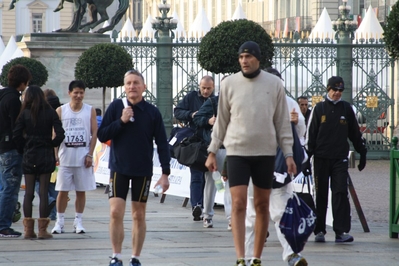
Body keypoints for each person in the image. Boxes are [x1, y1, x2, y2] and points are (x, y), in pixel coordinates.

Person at [205, 41, 296, 266]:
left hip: (265, 153)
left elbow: (282, 123)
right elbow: (222, 122)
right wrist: (212, 151)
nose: (244, 61)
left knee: (262, 205)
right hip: (237, 152)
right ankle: (240, 257)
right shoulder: (229, 84)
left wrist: (288, 154)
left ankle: (256, 257)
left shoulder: (274, 84)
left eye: (248, 56)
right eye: (241, 57)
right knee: (238, 204)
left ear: (258, 58)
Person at [97, 69, 171, 266]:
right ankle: (116, 256)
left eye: (136, 83)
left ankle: (135, 258)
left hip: (142, 170)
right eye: (128, 83)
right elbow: (102, 135)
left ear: (144, 87)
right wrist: (121, 121)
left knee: (138, 214)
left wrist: (165, 173)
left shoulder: (152, 112)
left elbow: (163, 144)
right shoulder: (115, 107)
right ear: (124, 87)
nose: (132, 87)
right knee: (115, 212)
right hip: (119, 168)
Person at [244, 68, 308, 266]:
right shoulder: (249, 99)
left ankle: (291, 254)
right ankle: (247, 257)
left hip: (280, 166)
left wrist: (297, 123)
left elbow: (301, 135)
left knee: (282, 212)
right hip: (255, 165)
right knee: (252, 217)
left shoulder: (289, 102)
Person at [304, 76, 367, 243]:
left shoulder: (347, 109)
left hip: (339, 158)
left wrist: (363, 153)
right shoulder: (318, 109)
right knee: (321, 194)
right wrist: (305, 160)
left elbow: (355, 133)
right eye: (334, 90)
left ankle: (341, 231)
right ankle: (319, 230)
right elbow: (310, 137)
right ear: (328, 89)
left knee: (340, 193)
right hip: (321, 158)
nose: (337, 93)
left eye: (340, 90)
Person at [13, 85, 65, 239]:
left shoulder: (24, 114)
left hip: (30, 154)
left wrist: (24, 147)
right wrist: (51, 144)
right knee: (43, 192)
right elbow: (61, 134)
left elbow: (16, 134)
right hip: (45, 155)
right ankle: (43, 230)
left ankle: (28, 230)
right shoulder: (50, 112)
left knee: (28, 193)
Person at [51, 80, 98, 235]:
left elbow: (94, 133)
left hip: (82, 156)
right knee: (62, 191)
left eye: (81, 93)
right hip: (65, 157)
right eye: (76, 92)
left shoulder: (89, 110)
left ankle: (78, 221)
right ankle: (60, 221)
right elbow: (55, 133)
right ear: (69, 93)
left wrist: (90, 154)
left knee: (81, 191)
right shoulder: (61, 110)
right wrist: (55, 153)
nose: (78, 96)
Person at [174, 75, 215, 221]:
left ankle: (205, 206)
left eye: (208, 88)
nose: (205, 91)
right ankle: (196, 206)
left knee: (210, 178)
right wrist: (191, 114)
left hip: (211, 142)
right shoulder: (191, 97)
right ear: (199, 86)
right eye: (203, 88)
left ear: (213, 87)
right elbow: (177, 111)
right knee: (197, 175)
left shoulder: (216, 101)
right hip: (195, 142)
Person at [0, 64, 32, 238]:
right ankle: (3, 226)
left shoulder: (2, 95)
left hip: (1, 147)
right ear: (22, 82)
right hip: (11, 149)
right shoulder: (13, 99)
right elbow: (16, 128)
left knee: (4, 186)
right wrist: (22, 147)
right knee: (10, 189)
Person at [192, 95, 226, 228]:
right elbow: (197, 118)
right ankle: (207, 215)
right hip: (215, 149)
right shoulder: (213, 102)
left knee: (231, 184)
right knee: (213, 183)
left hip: (234, 148)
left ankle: (231, 218)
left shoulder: (240, 99)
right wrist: (208, 121)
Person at [35, 88, 62, 220]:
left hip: (42, 150)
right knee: (52, 183)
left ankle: (49, 200)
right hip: (57, 151)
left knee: (36, 181)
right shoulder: (61, 109)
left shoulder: (41, 111)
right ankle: (54, 211)